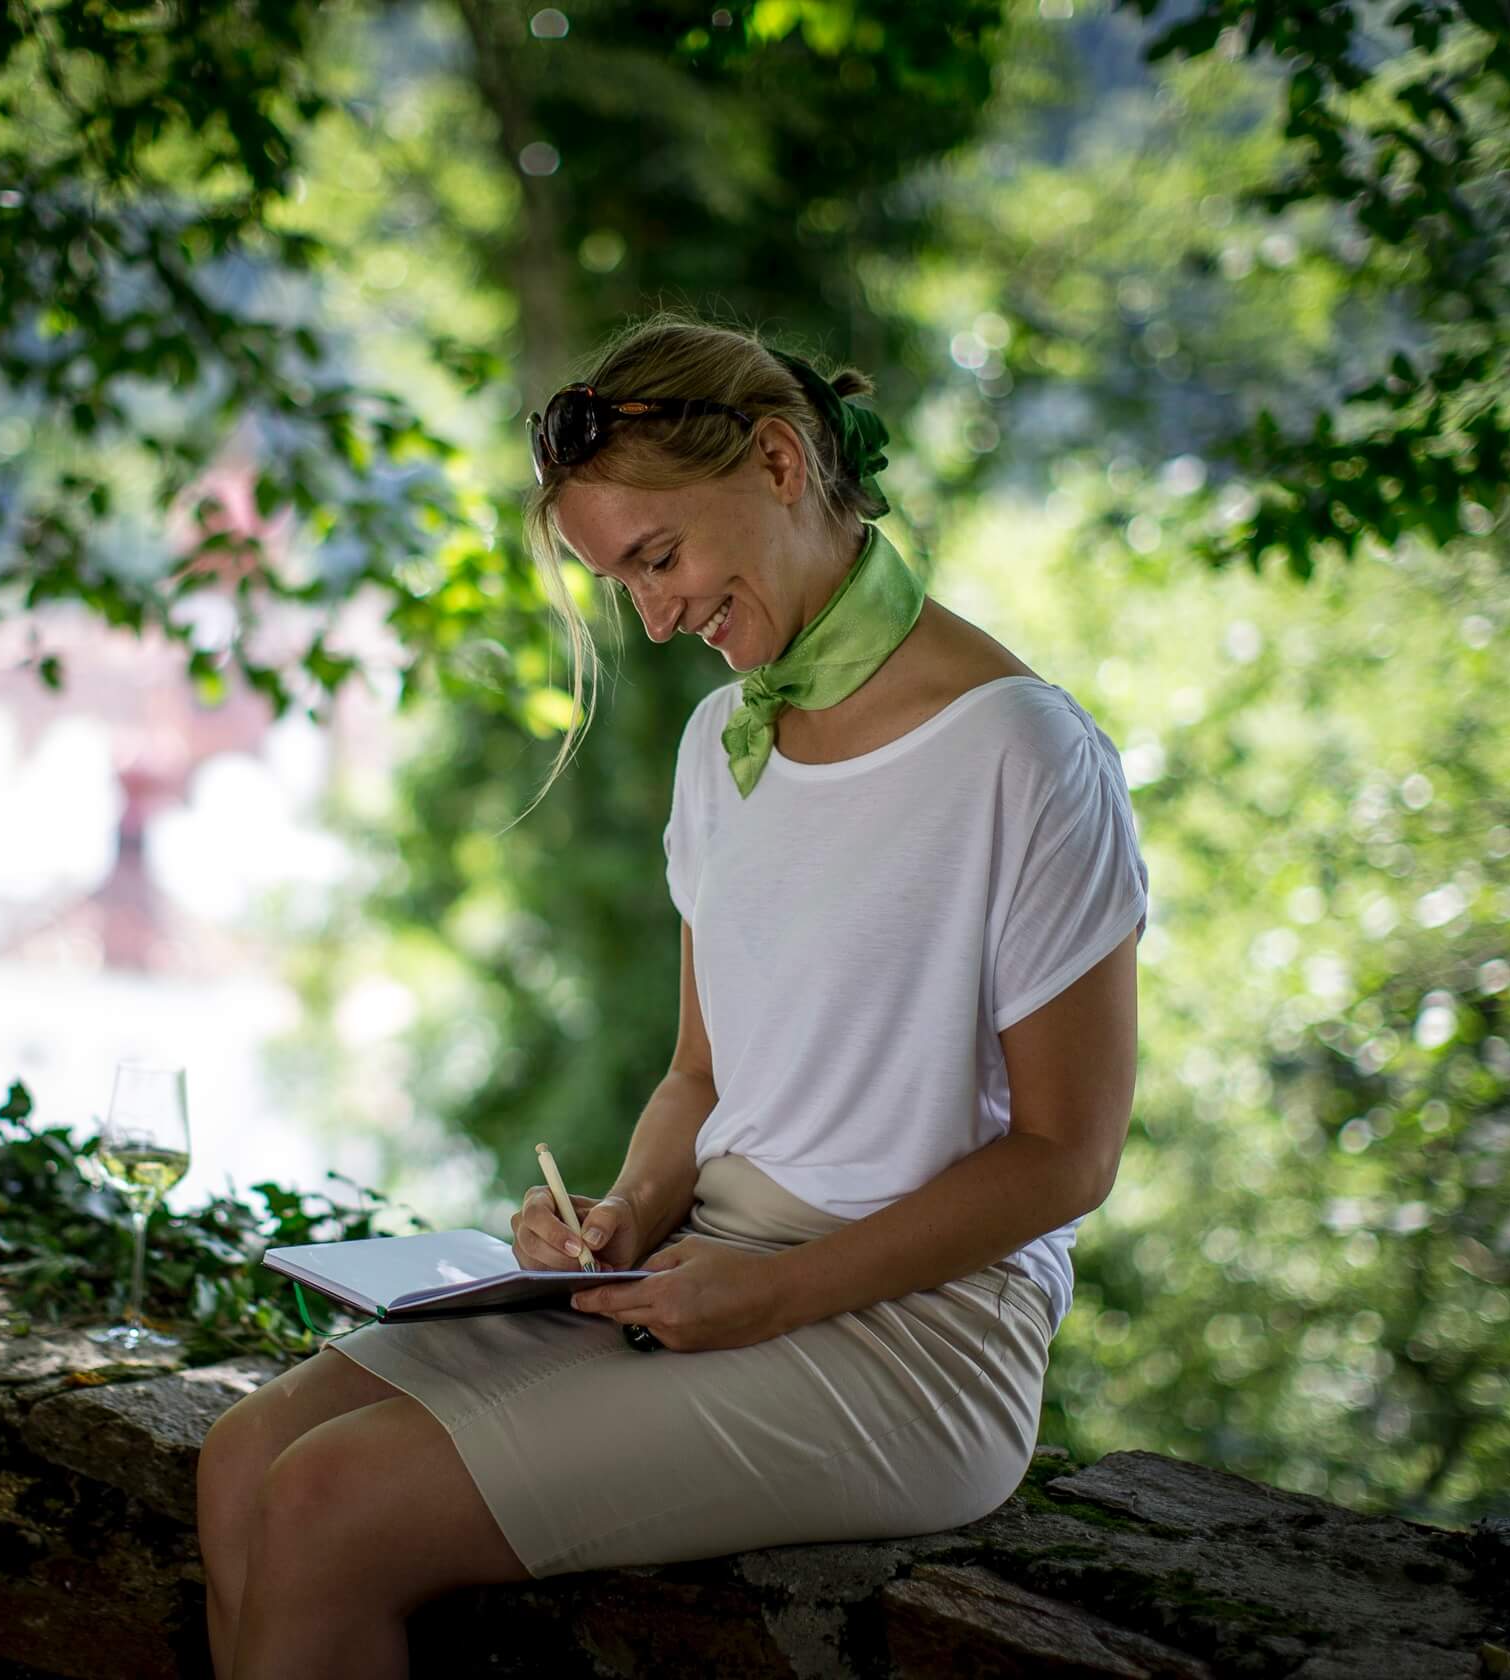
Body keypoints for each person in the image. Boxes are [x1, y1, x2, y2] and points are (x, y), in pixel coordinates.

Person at [196, 312, 1148, 1680]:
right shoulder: (727, 740)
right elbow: (702, 1078)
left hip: (918, 1336)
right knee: (245, 1455)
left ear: (777, 461)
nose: (653, 618)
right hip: (700, 1268)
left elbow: (1071, 1156)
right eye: (617, 584)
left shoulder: (1022, 752)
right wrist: (623, 1213)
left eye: (659, 558)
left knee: (326, 1505)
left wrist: (782, 1293)